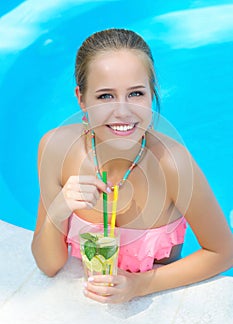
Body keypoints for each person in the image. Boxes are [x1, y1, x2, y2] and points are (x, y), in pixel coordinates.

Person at [32, 28, 233, 304]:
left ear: (152, 93)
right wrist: (58, 208)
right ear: (81, 98)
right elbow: (48, 264)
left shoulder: (173, 165)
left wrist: (140, 285)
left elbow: (222, 252)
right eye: (105, 96)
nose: (123, 112)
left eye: (136, 93)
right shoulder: (55, 149)